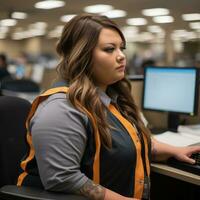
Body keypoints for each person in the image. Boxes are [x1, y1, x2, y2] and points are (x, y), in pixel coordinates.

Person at [17, 14, 200, 200]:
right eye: (110, 49)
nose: (121, 56)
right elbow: (63, 178)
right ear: (81, 55)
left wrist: (175, 151)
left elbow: (130, 141)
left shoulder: (110, 98)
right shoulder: (61, 108)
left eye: (122, 48)